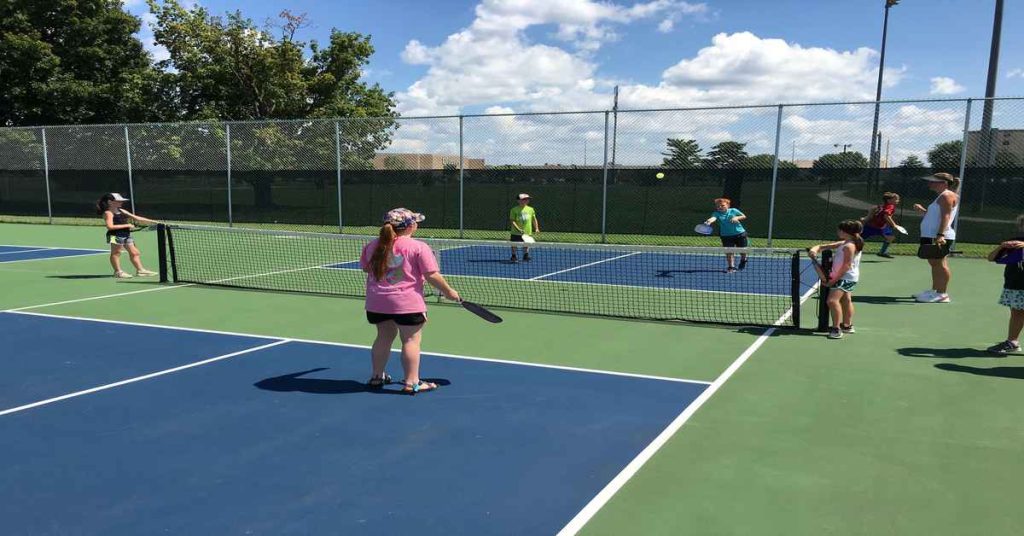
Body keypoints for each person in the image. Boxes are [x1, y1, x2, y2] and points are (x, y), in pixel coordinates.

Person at [360, 208, 461, 395]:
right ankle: (412, 382)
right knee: (411, 340)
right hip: (407, 304)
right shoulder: (418, 247)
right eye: (415, 222)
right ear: (409, 226)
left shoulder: (372, 245)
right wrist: (448, 291)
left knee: (383, 337)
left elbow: (367, 269)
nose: (416, 225)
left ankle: (376, 376)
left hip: (377, 303)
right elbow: (431, 275)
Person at [808, 220, 864, 340]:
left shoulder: (849, 246)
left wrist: (833, 281)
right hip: (848, 277)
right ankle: (847, 325)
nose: (837, 231)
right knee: (846, 300)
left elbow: (847, 265)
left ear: (845, 232)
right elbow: (824, 246)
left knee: (832, 301)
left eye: (839, 230)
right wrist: (814, 250)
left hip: (844, 277)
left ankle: (836, 328)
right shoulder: (846, 242)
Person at [912, 173, 960, 303]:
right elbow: (936, 216)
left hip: (938, 236)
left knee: (940, 264)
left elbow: (946, 217)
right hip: (930, 235)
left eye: (934, 181)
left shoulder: (947, 196)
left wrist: (940, 235)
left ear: (944, 183)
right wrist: (923, 211)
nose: (930, 184)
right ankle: (934, 291)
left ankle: (942, 294)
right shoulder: (942, 196)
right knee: (934, 263)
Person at [985, 215, 1024, 355]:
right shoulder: (1015, 242)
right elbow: (991, 258)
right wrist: (1002, 246)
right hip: (1015, 284)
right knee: (1016, 313)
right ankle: (1012, 342)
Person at [96, 193, 159, 279]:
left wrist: (154, 222)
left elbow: (136, 218)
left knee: (135, 252)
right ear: (110, 202)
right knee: (116, 253)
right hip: (115, 235)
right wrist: (127, 225)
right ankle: (118, 272)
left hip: (126, 234)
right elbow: (110, 227)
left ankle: (140, 270)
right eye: (119, 201)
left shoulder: (122, 210)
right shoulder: (108, 213)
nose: (121, 202)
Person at [704, 198, 748, 272]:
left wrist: (736, 217)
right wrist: (709, 221)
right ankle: (731, 267)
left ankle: (743, 260)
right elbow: (713, 218)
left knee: (743, 251)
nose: (720, 207)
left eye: (722, 205)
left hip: (740, 234)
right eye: (718, 206)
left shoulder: (733, 210)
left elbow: (743, 216)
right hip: (726, 236)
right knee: (729, 251)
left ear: (728, 205)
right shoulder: (716, 213)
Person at [861, 192, 903, 258]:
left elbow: (874, 212)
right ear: (889, 200)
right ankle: (850, 249)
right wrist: (894, 225)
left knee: (890, 237)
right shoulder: (890, 206)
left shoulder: (881, 206)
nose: (898, 201)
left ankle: (882, 252)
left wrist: (866, 218)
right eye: (896, 199)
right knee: (858, 239)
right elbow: (886, 216)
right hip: (875, 226)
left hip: (879, 226)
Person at [510, 193, 540, 263]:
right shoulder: (514, 210)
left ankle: (525, 255)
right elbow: (512, 221)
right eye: (525, 199)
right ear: (519, 200)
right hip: (515, 232)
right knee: (514, 244)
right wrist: (518, 229)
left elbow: (534, 219)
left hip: (527, 231)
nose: (527, 200)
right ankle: (513, 256)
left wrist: (536, 228)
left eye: (528, 199)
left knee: (527, 244)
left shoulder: (531, 209)